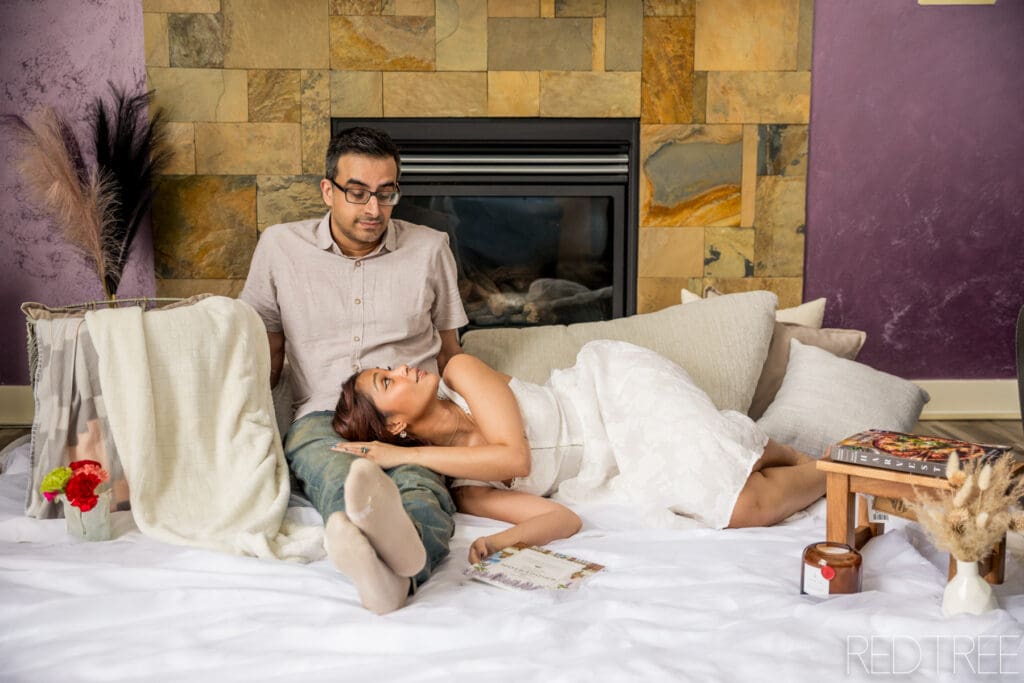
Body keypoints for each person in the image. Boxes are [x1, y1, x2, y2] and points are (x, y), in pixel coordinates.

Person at [332, 339, 827, 566]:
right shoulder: (467, 488)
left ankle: (787, 455)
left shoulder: (461, 372)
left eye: (390, 368)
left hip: (617, 392)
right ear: (394, 425)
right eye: (387, 381)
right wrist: (500, 543)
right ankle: (831, 468)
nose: (402, 368)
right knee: (742, 508)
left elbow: (515, 458)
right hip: (619, 466)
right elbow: (562, 519)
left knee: (728, 490)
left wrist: (405, 457)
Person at [240, 126, 469, 614]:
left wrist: (469, 427)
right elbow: (266, 355)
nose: (374, 209)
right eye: (358, 192)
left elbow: (450, 353)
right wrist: (244, 430)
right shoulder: (280, 247)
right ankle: (387, 571)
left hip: (411, 419)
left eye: (386, 194)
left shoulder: (431, 248)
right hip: (327, 415)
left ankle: (394, 576)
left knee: (422, 490)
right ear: (328, 190)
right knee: (340, 479)